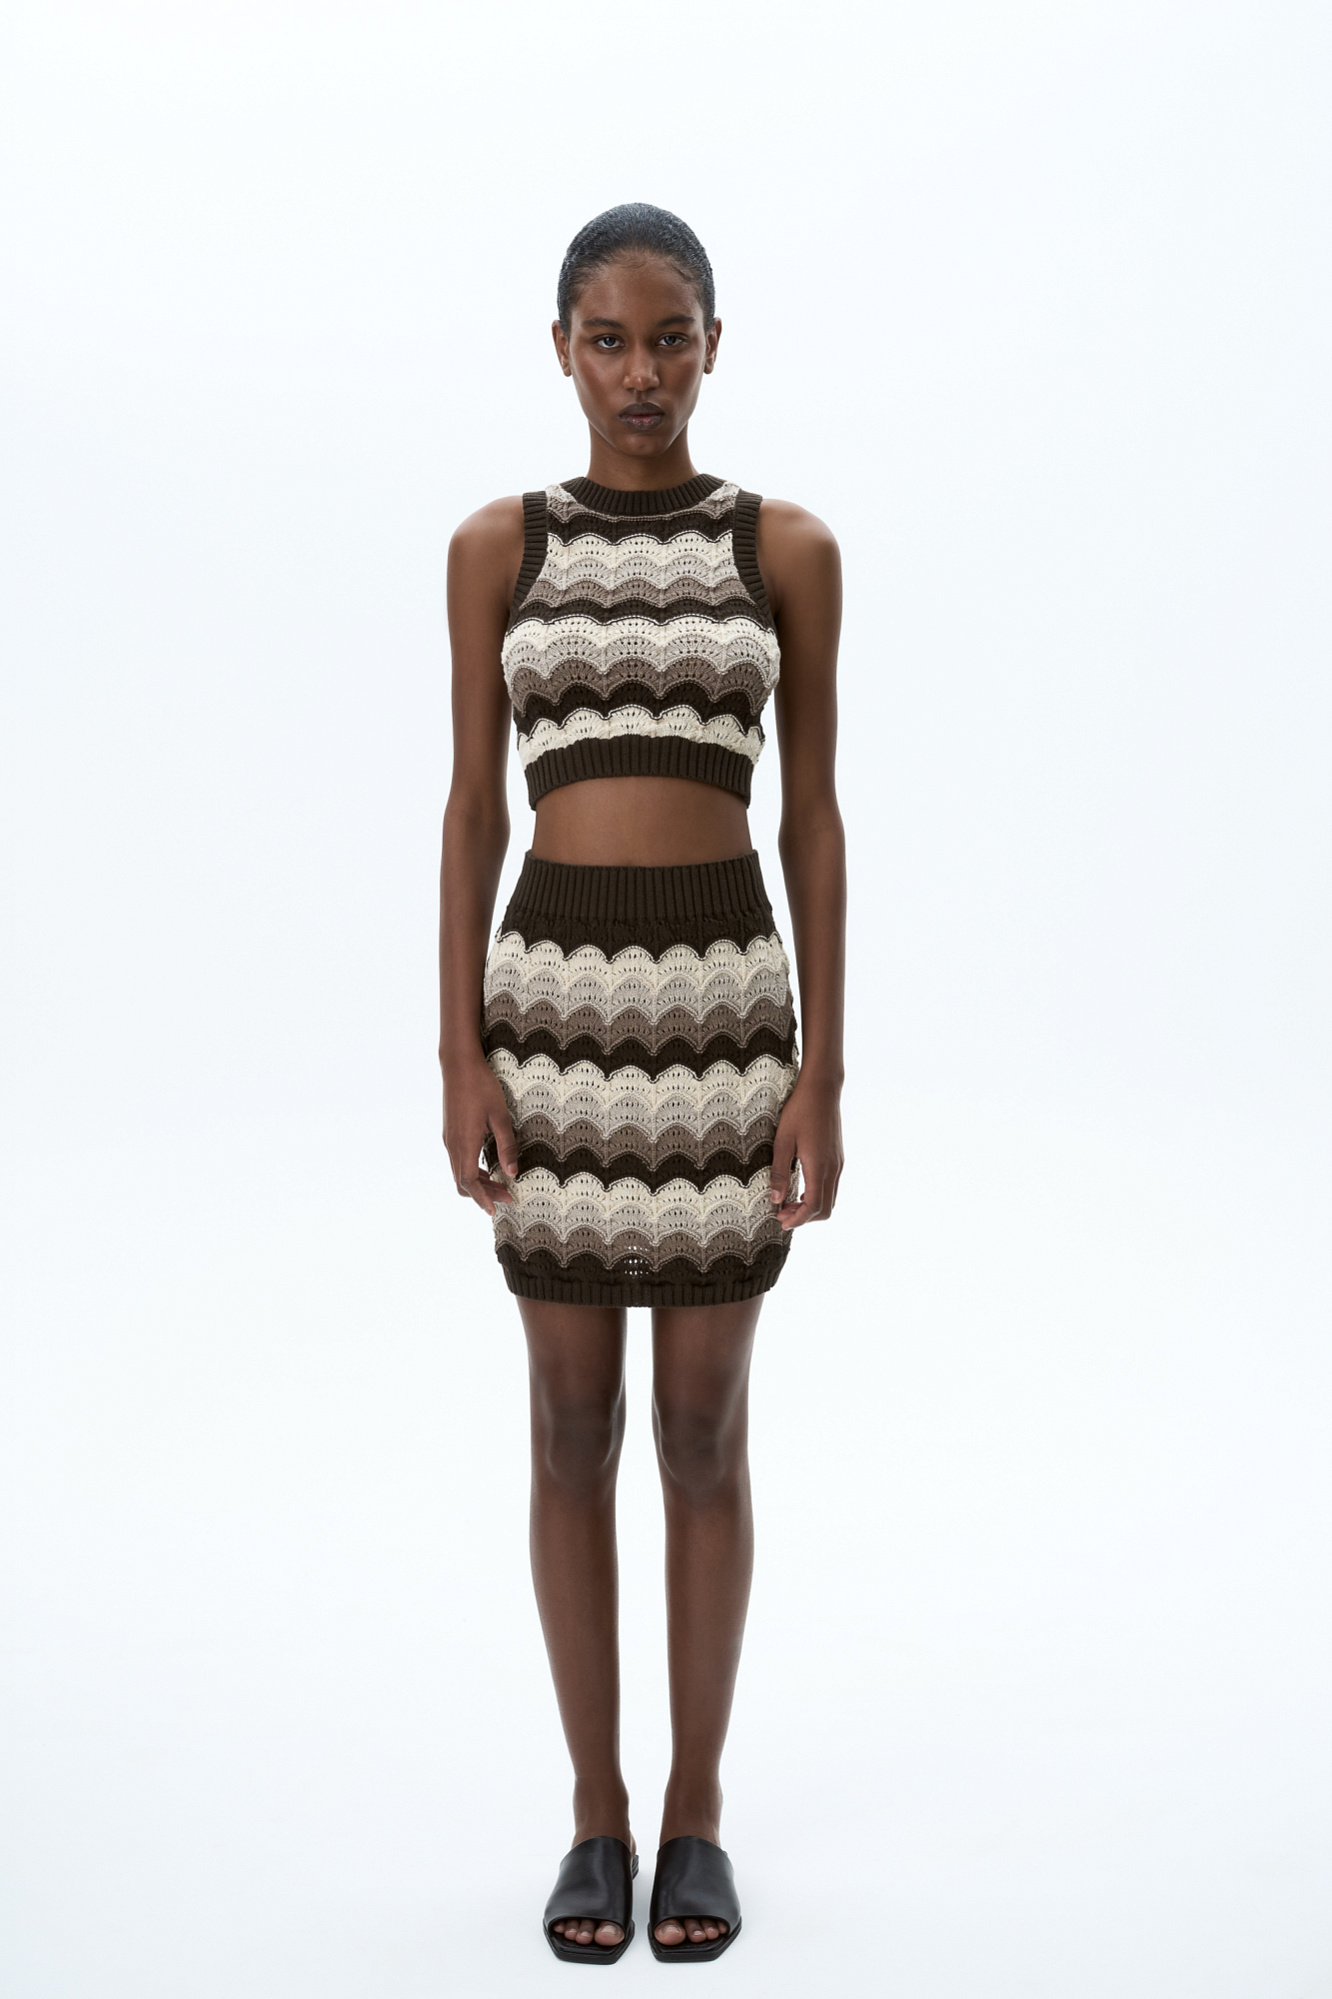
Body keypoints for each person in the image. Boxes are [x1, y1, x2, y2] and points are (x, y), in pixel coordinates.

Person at [439, 203, 845, 1963]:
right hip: (550, 1023)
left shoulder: (784, 547)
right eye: (607, 339)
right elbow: (472, 805)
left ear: (713, 345)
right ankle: (594, 1817)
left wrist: (824, 1071)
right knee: (565, 1425)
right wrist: (458, 1048)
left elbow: (813, 817)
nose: (640, 372)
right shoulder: (499, 546)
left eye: (669, 336)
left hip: (725, 1021)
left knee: (700, 1430)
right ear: (561, 351)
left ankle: (698, 1815)